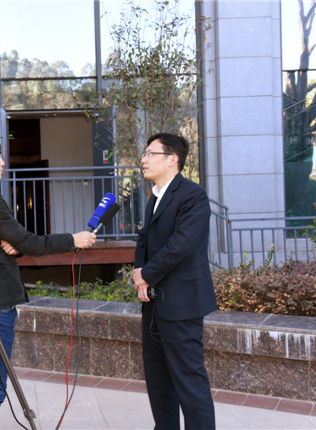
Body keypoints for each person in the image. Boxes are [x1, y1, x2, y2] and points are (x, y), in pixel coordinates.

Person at [0, 134, 96, 430]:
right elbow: (31, 243)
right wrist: (73, 239)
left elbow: (2, 244)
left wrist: (14, 247)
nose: (3, 162)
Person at [132, 133, 218, 430]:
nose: (143, 159)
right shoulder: (155, 195)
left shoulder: (192, 195)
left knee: (189, 382)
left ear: (172, 159)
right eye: (144, 153)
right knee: (158, 381)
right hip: (154, 303)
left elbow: (181, 245)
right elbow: (145, 239)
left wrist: (147, 274)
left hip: (182, 304)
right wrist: (139, 273)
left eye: (150, 153)